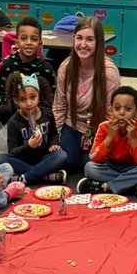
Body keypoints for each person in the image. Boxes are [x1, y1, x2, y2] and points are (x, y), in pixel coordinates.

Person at [53, 17, 120, 172]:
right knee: (67, 161)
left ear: (98, 43)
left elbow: (111, 114)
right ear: (73, 39)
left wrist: (109, 141)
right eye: (79, 38)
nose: (83, 45)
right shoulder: (66, 68)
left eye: (89, 39)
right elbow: (59, 106)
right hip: (72, 125)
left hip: (98, 128)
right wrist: (54, 138)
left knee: (88, 163)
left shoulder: (108, 72)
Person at [79, 84, 137, 196]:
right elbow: (93, 157)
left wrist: (133, 139)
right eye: (117, 108)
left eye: (128, 109)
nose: (121, 113)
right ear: (111, 110)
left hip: (130, 167)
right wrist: (109, 137)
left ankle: (106, 186)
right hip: (109, 166)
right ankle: (129, 186)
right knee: (89, 168)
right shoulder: (104, 127)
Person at [0, 17, 57, 126]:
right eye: (24, 39)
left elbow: (49, 98)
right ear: (17, 43)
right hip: (13, 112)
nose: (29, 43)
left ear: (40, 43)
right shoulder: (7, 65)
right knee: (3, 110)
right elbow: (3, 94)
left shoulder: (46, 68)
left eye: (34, 39)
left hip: (38, 112)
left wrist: (34, 108)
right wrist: (20, 108)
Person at [0, 76, 68, 186]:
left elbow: (54, 134)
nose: (29, 103)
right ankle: (46, 176)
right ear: (16, 100)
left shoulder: (47, 113)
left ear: (39, 96)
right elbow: (12, 151)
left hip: (44, 158)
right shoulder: (14, 122)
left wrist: (53, 144)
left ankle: (25, 178)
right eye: (23, 99)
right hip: (24, 160)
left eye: (33, 97)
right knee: (0, 158)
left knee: (61, 155)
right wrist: (28, 146)